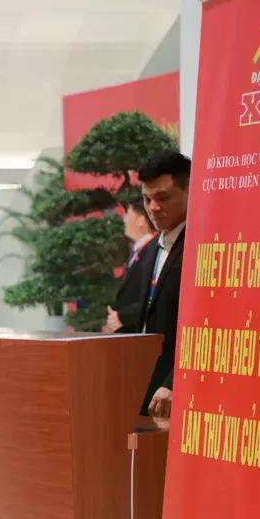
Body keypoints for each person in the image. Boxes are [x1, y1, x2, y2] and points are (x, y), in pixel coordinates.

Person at [115, 151, 190, 419]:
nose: (153, 208)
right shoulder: (151, 250)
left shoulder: (202, 245)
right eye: (147, 199)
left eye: (163, 198)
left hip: (178, 393)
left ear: (189, 190)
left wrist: (174, 383)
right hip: (144, 387)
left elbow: (205, 325)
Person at [104, 200, 156, 335]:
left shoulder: (153, 250)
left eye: (127, 213)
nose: (124, 219)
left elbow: (151, 297)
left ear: (141, 220)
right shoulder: (138, 251)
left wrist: (123, 317)